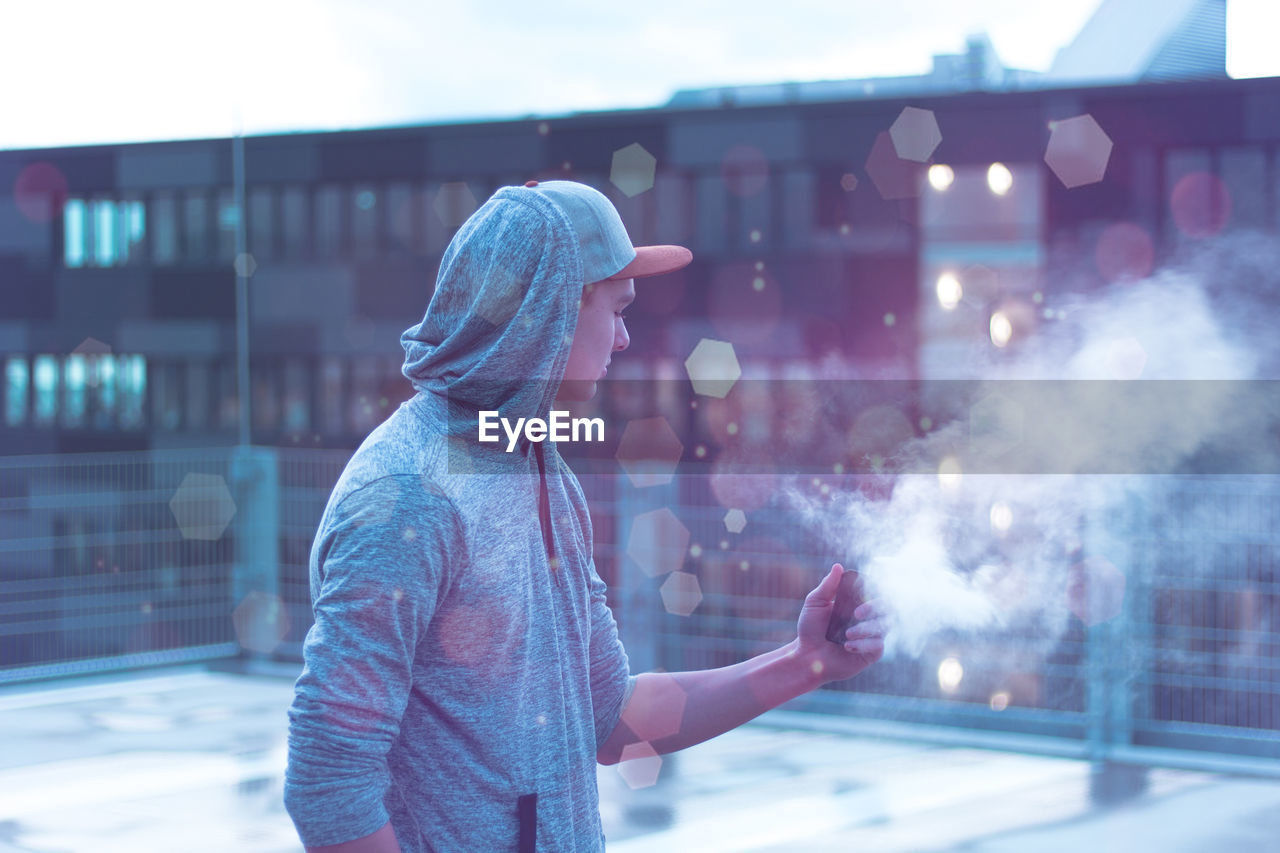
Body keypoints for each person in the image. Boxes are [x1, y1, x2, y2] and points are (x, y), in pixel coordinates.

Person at [283, 180, 886, 852]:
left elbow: (609, 717)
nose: (625, 336)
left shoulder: (540, 470)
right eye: (618, 309)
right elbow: (326, 780)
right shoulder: (408, 494)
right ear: (553, 313)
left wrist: (804, 662)